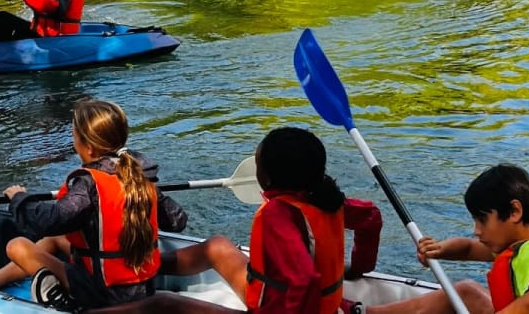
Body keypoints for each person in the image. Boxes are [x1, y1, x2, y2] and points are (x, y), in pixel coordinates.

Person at [138, 126, 383, 313]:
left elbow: (304, 278)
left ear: (265, 177)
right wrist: (359, 268)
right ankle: (145, 265)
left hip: (274, 306)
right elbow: (371, 218)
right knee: (217, 247)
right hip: (322, 301)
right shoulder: (329, 200)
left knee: (164, 303)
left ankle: (128, 275)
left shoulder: (276, 215)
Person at [0, 99, 188, 309]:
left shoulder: (89, 185)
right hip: (144, 285)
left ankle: (64, 301)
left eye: (74, 134)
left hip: (103, 294)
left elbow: (49, 220)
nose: (72, 138)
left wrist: (19, 198)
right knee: (54, 240)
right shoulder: (139, 176)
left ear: (89, 148)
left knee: (17, 246)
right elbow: (177, 221)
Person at [368, 164, 529, 314]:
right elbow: (469, 249)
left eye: (482, 220)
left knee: (466, 292)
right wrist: (439, 250)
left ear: (515, 212)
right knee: (467, 291)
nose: (477, 230)